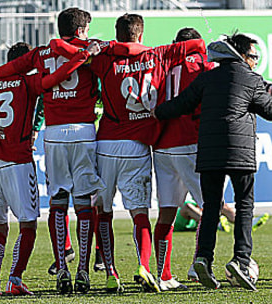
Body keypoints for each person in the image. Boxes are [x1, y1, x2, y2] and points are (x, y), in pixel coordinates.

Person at [49, 13, 206, 293]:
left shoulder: (106, 55)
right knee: (140, 214)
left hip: (106, 144)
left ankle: (111, 272)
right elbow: (197, 44)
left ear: (117, 33)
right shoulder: (159, 54)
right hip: (138, 147)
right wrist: (143, 51)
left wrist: (110, 47)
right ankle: (144, 267)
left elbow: (63, 48)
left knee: (103, 211)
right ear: (141, 34)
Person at [0, 41, 101, 296]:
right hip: (17, 160)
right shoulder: (27, 83)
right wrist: (84, 56)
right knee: (28, 225)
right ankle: (14, 279)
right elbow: (58, 77)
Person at [154, 32, 272, 290]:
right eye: (253, 56)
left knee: (211, 208)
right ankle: (241, 260)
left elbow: (181, 105)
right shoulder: (251, 79)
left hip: (209, 153)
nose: (255, 61)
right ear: (241, 55)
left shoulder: (207, 78)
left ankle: (204, 259)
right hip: (241, 154)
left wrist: (157, 112)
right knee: (245, 207)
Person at [0, 9, 105, 294]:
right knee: (84, 203)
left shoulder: (41, 54)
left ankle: (62, 270)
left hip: (53, 134)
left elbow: (1, 73)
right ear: (81, 30)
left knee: (58, 200)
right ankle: (82, 269)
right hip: (83, 131)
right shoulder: (92, 51)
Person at [150, 27, 216, 291]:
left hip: (162, 144)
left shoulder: (161, 62)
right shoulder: (205, 64)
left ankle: (163, 274)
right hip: (191, 140)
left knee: (166, 211)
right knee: (210, 206)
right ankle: (197, 264)